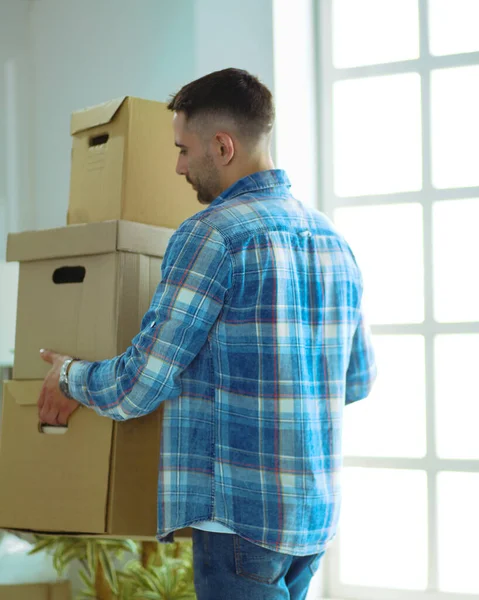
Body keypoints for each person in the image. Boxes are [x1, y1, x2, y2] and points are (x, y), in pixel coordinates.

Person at [38, 68, 376, 600]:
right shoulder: (333, 240)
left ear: (222, 146)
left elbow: (140, 384)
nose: (177, 165)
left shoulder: (213, 235)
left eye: (183, 148)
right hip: (312, 519)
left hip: (240, 521)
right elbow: (357, 381)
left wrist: (69, 377)